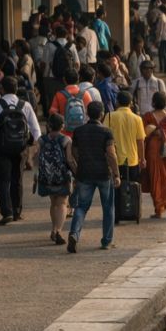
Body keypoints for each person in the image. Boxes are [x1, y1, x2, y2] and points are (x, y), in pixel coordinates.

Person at [0, 77, 41, 226]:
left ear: (2, 89)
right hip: (21, 148)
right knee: (17, 179)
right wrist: (36, 148)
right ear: (16, 89)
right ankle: (17, 211)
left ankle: (7, 212)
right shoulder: (26, 105)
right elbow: (36, 130)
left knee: (2, 180)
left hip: (1, 148)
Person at [66, 101, 120, 253]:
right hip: (104, 173)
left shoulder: (78, 131)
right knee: (108, 207)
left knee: (81, 206)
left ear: (87, 113)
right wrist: (116, 174)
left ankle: (74, 234)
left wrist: (80, 164)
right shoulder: (106, 132)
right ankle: (106, 240)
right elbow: (111, 154)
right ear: (102, 114)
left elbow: (75, 152)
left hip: (84, 173)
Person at [35, 113, 73, 245]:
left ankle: (53, 228)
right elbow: (69, 159)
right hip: (62, 177)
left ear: (49, 125)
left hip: (47, 176)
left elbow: (37, 158)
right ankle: (58, 231)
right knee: (62, 204)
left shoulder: (41, 140)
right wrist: (76, 171)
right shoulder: (66, 140)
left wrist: (36, 175)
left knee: (53, 203)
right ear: (62, 126)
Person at [107, 91, 145, 188]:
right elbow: (140, 141)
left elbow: (104, 137)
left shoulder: (110, 116)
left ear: (117, 102)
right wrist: (142, 159)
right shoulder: (137, 119)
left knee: (116, 190)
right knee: (132, 190)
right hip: (133, 160)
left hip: (115, 160)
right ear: (131, 103)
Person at [49, 68, 94, 135]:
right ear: (78, 79)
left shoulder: (59, 95)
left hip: (65, 134)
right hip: (82, 133)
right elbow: (92, 113)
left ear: (64, 79)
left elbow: (52, 113)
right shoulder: (85, 94)